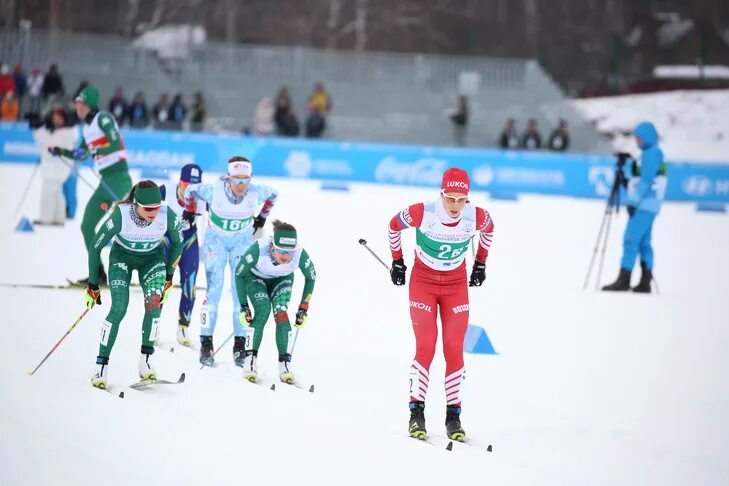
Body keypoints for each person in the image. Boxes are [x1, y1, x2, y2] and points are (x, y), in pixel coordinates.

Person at [387, 167, 495, 442]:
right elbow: (393, 226)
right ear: (442, 194)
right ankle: (416, 414)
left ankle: (453, 417)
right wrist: (397, 261)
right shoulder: (423, 212)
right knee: (426, 346)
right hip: (423, 283)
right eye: (451, 198)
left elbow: (489, 230)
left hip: (455, 286)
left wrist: (480, 264)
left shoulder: (477, 216)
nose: (456, 205)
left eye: (462, 199)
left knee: (454, 348)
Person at [85, 180, 182, 389]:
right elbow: (95, 247)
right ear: (136, 204)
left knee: (154, 304)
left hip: (152, 259)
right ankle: (100, 366)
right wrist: (93, 284)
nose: (153, 213)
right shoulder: (121, 215)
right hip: (122, 259)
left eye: (156, 208)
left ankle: (146, 360)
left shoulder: (167, 214)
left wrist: (169, 277)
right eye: (148, 209)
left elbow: (178, 244)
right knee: (119, 308)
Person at [184, 156, 278, 367]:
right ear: (228, 178)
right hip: (215, 244)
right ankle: (206, 343)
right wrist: (189, 211)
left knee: (240, 296)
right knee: (214, 292)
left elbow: (274, 194)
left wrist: (262, 216)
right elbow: (190, 190)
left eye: (246, 180)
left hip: (241, 244)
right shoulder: (213, 190)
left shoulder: (256, 191)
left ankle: (239, 345)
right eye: (237, 180)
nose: (241, 186)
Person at [48, 86, 133, 285]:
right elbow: (82, 154)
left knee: (128, 229)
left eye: (79, 104)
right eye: (76, 104)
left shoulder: (103, 119)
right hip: (106, 181)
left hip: (118, 179)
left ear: (88, 105)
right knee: (87, 226)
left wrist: (95, 148)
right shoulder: (86, 129)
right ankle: (99, 273)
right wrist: (61, 152)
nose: (76, 108)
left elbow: (115, 144)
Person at [234, 220, 316, 384]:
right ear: (272, 246)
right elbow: (239, 274)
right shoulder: (258, 249)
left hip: (282, 279)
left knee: (281, 314)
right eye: (281, 251)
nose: (286, 256)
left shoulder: (300, 253)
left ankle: (284, 364)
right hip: (255, 277)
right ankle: (249, 361)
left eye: (290, 252)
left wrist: (303, 308)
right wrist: (244, 306)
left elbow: (311, 277)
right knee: (263, 310)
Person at [602, 121, 666, 293]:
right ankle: (645, 281)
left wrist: (633, 201)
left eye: (638, 138)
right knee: (644, 243)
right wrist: (626, 180)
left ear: (646, 137)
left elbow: (646, 181)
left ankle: (624, 279)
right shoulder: (649, 154)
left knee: (630, 240)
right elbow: (641, 181)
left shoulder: (651, 154)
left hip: (644, 205)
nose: (636, 141)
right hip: (649, 204)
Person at [160, 163, 203, 346]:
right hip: (168, 240)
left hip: (189, 241)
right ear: (180, 182)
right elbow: (139, 201)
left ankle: (183, 327)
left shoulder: (202, 197)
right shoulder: (164, 191)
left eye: (195, 186)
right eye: (186, 185)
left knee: (190, 284)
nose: (190, 190)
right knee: (160, 284)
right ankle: (153, 327)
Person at [32, 108, 79, 225]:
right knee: (57, 192)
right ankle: (59, 218)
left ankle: (46, 218)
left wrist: (38, 130)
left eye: (58, 117)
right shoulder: (61, 131)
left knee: (47, 192)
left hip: (56, 168)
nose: (55, 119)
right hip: (56, 168)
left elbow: (48, 144)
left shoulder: (66, 131)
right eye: (54, 117)